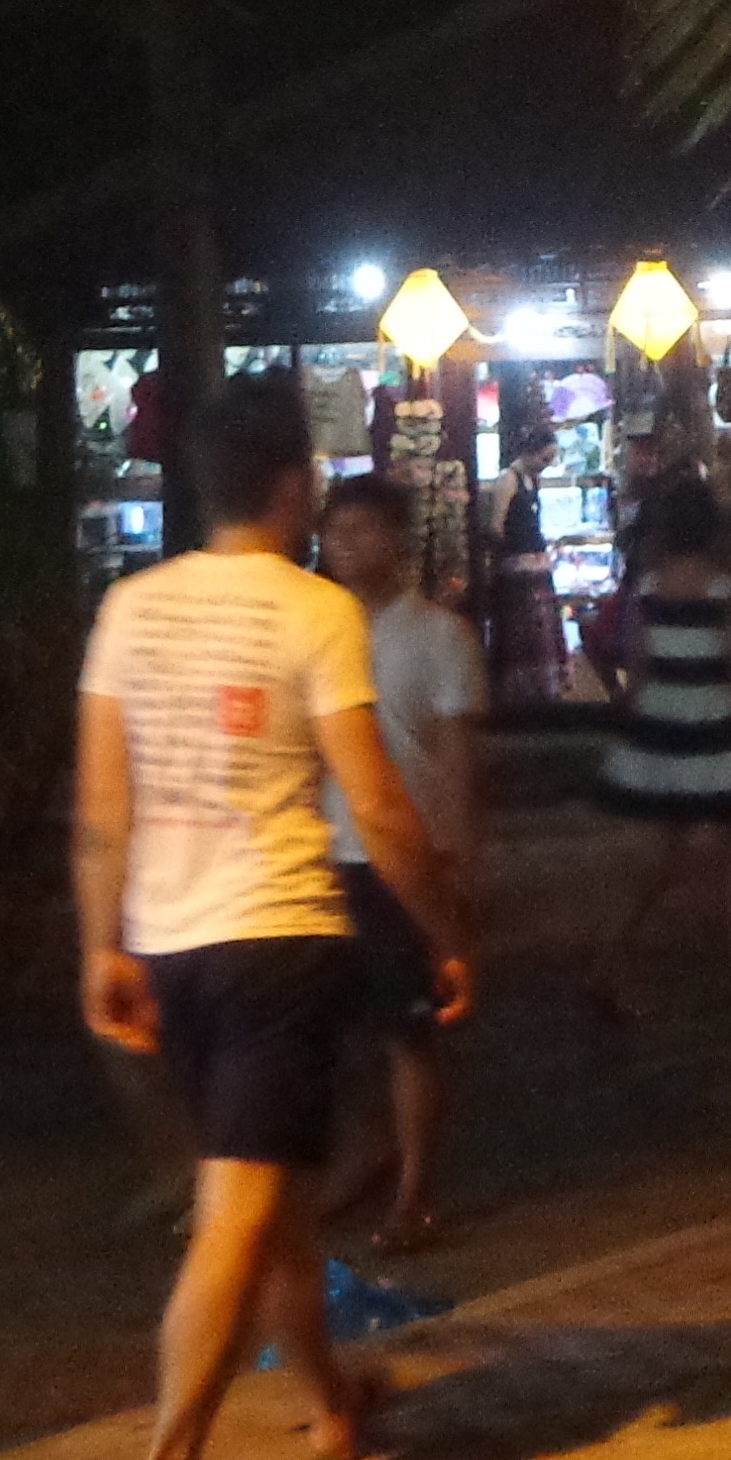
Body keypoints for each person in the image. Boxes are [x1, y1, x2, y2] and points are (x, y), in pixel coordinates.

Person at [77, 376, 474, 1460]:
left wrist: (102, 945)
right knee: (240, 1213)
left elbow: (103, 805)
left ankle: (327, 1399)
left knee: (278, 1206)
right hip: (276, 938)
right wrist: (446, 931)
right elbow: (380, 807)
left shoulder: (131, 610)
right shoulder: (312, 614)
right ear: (295, 485)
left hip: (170, 943)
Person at [313, 476, 485, 1252]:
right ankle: (365, 1151)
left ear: (397, 539)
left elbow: (456, 762)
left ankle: (415, 1189)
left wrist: (455, 857)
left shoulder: (440, 637)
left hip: (403, 857)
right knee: (324, 1029)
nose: (345, 547)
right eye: (335, 532)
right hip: (318, 855)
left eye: (362, 531)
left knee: (408, 1030)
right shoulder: (313, 630)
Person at [586, 473, 731, 1015]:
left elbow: (636, 671)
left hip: (659, 732)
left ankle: (610, 964)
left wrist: (627, 718)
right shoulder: (727, 591)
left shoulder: (646, 587)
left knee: (661, 861)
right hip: (714, 733)